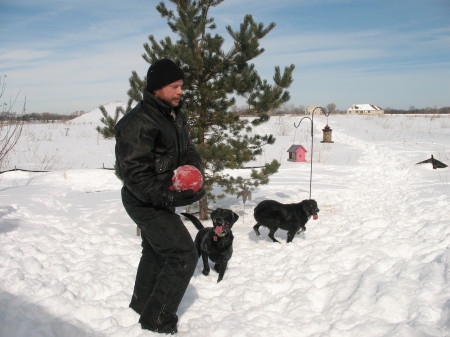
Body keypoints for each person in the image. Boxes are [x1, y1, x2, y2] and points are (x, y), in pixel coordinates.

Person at [115, 58, 205, 334]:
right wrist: (167, 197)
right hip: (143, 200)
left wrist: (194, 174)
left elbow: (187, 149)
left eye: (182, 86)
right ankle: (158, 320)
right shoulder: (137, 123)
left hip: (160, 195)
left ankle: (142, 306)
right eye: (175, 86)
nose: (181, 92)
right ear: (157, 89)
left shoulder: (174, 114)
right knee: (183, 253)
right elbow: (134, 175)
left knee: (155, 250)